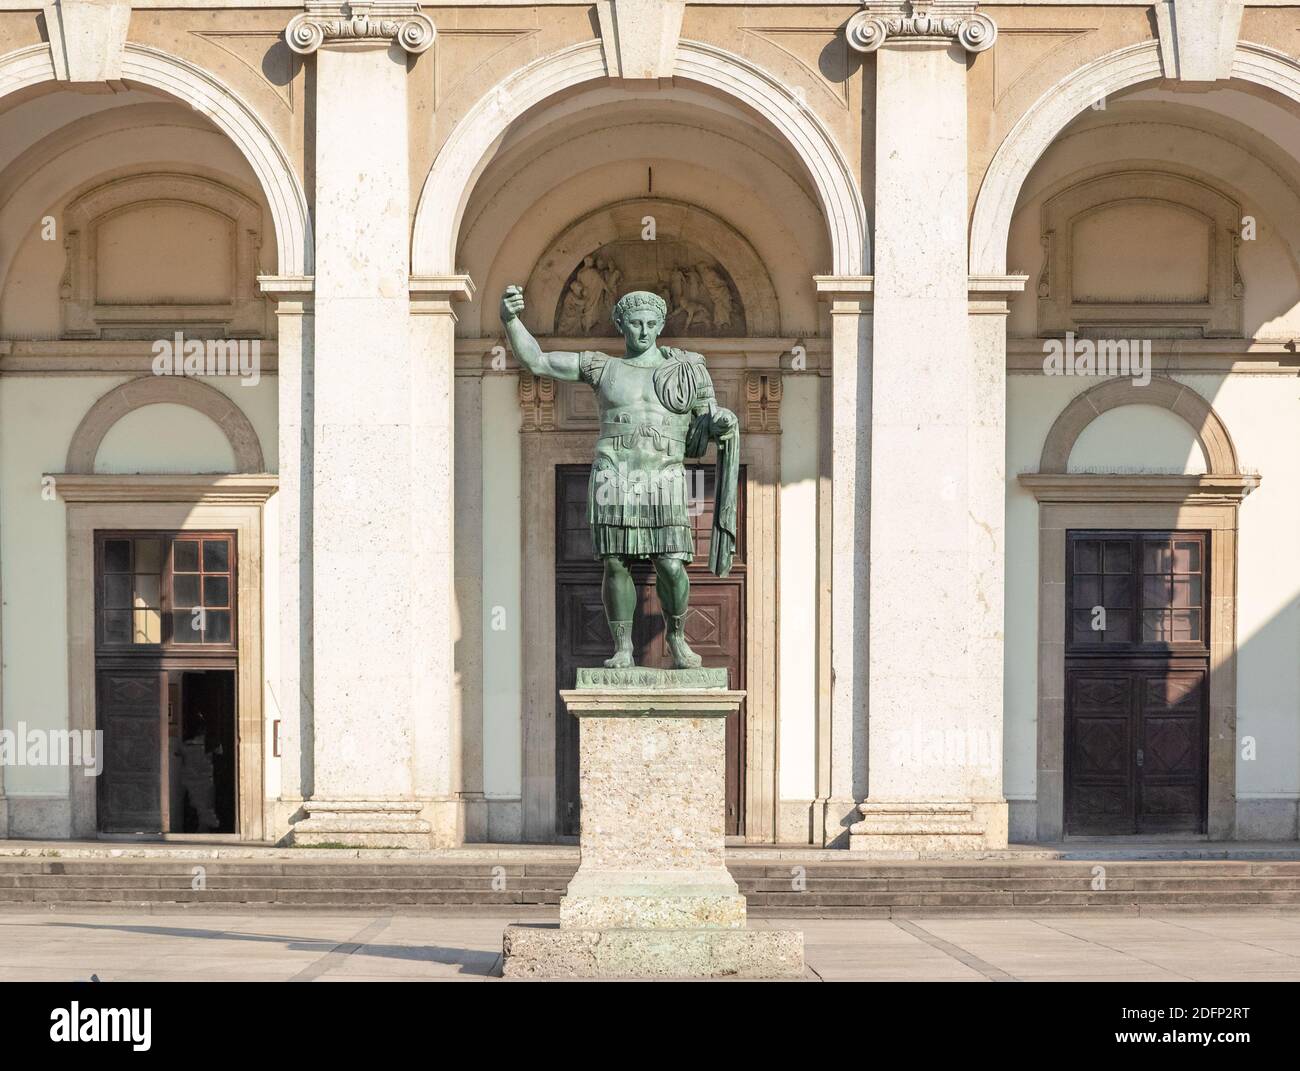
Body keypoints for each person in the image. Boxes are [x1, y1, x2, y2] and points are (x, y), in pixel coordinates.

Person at [500, 285, 739, 668]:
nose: (643, 331)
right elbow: (539, 362)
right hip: (615, 472)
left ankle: (677, 638)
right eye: (634, 323)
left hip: (665, 475)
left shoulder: (687, 369)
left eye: (649, 324)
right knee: (615, 562)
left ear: (660, 324)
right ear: (620, 325)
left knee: (672, 563)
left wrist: (722, 420)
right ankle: (623, 646)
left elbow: (706, 421)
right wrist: (510, 319)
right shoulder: (602, 367)